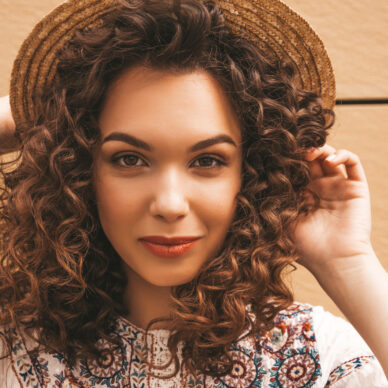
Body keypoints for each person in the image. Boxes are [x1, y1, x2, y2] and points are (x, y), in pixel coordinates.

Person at [0, 0, 387, 386]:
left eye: (207, 161)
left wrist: (347, 262)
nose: (169, 204)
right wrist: (48, 117)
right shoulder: (13, 351)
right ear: (79, 168)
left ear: (250, 174)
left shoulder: (324, 359)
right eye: (130, 159)